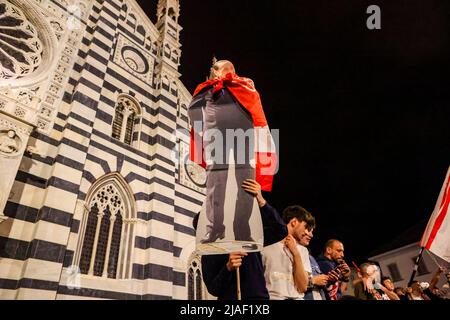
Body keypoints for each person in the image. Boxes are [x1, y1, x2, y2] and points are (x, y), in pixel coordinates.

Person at [188, 60, 276, 244]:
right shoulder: (206, 88)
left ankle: (241, 229)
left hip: (243, 138)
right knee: (215, 184)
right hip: (216, 139)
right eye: (221, 69)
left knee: (245, 184)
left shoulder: (246, 83)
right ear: (216, 72)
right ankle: (216, 229)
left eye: (228, 69)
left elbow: (256, 109)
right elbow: (194, 110)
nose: (225, 72)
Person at [199, 179, 287, 300]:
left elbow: (280, 230)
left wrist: (261, 200)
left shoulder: (249, 237)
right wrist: (228, 267)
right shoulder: (209, 250)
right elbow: (213, 289)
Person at [261, 206, 315, 300]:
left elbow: (302, 287)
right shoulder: (266, 246)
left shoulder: (303, 251)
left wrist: (296, 253)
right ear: (294, 222)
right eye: (305, 227)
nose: (307, 232)